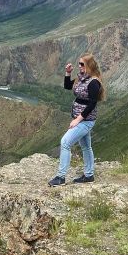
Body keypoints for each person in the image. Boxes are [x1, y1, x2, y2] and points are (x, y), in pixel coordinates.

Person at [48, 53, 106, 186]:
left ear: (89, 65)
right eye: (79, 64)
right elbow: (68, 87)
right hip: (81, 119)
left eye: (82, 64)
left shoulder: (93, 82)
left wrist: (78, 120)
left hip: (85, 121)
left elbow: (92, 104)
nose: (79, 66)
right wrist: (68, 73)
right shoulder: (82, 78)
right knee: (86, 147)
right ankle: (89, 175)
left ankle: (61, 177)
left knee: (65, 142)